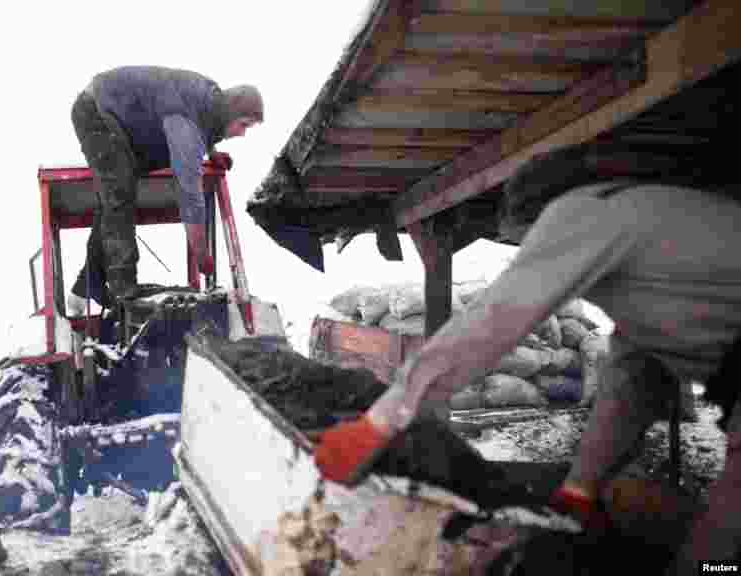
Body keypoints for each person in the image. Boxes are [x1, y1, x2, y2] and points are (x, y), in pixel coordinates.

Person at [312, 142, 741, 572]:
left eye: (527, 240)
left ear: (537, 216)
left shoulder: (585, 209)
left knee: (716, 556)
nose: (530, 250)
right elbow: (634, 378)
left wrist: (380, 420)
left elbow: (492, 320)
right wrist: (580, 487)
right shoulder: (649, 240)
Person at [68, 66, 262, 306]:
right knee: (119, 195)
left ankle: (90, 282)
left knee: (116, 197)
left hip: (118, 121)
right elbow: (190, 195)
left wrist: (210, 154)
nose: (242, 134)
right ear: (230, 113)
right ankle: (124, 289)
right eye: (243, 125)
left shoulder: (209, 102)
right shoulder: (187, 124)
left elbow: (199, 131)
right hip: (97, 113)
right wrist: (202, 255)